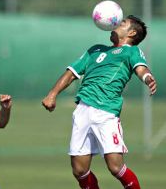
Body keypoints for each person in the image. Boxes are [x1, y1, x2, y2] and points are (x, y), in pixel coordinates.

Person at [42, 15, 157, 189]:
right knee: (79, 170)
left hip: (106, 112)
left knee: (115, 166)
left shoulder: (131, 51)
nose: (117, 23)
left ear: (132, 33)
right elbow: (72, 72)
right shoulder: (95, 50)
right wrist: (52, 94)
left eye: (123, 22)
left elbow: (141, 68)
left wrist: (148, 78)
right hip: (82, 111)